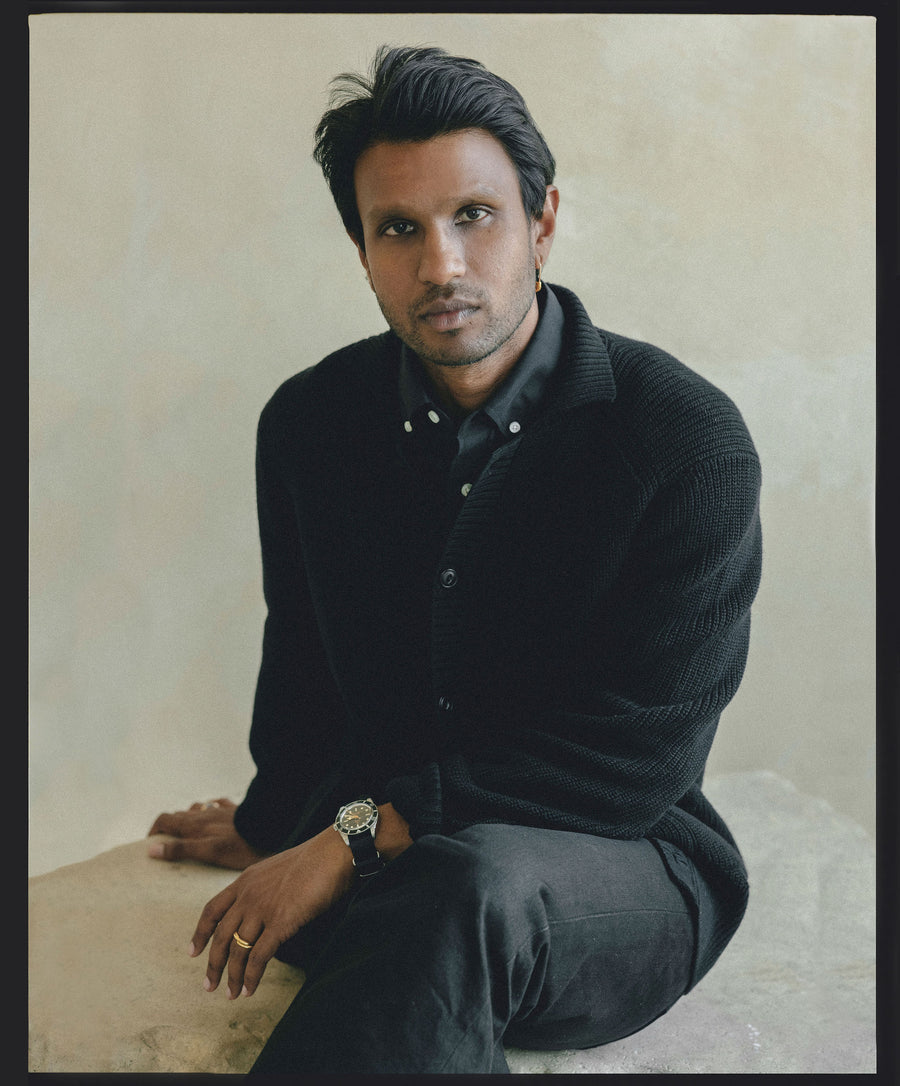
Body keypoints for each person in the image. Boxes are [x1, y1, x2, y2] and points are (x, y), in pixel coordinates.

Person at [148, 45, 763, 1074]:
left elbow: (634, 762)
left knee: (470, 884)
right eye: (399, 228)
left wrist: (355, 835)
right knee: (438, 892)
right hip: (385, 870)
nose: (441, 265)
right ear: (361, 249)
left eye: (475, 215)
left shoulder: (682, 441)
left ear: (545, 222)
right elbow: (301, 660)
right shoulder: (308, 424)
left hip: (610, 875)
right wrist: (272, 822)